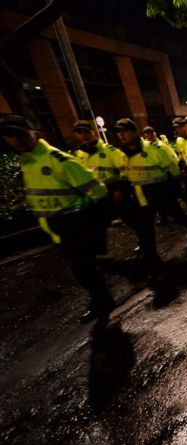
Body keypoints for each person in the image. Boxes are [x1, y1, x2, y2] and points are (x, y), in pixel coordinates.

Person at [0, 115, 115, 323]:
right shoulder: (28, 162)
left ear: (36, 134)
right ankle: (102, 299)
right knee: (83, 269)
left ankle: (103, 301)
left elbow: (98, 193)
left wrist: (95, 228)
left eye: (20, 134)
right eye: (9, 136)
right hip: (57, 229)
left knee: (81, 269)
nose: (16, 140)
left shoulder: (58, 160)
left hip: (76, 226)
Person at [114, 118, 187, 270]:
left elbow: (172, 171)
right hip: (141, 197)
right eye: (118, 132)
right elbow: (125, 175)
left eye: (125, 131)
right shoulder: (121, 154)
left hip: (161, 193)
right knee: (145, 228)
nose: (121, 135)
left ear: (135, 132)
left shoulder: (153, 149)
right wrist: (120, 190)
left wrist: (174, 191)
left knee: (179, 215)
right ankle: (152, 260)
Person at [72, 119, 133, 231]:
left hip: (114, 191)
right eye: (79, 133)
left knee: (132, 220)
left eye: (86, 132)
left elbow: (126, 169)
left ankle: (145, 244)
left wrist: (120, 190)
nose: (84, 136)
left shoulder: (109, 150)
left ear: (94, 133)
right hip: (96, 197)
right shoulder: (80, 154)